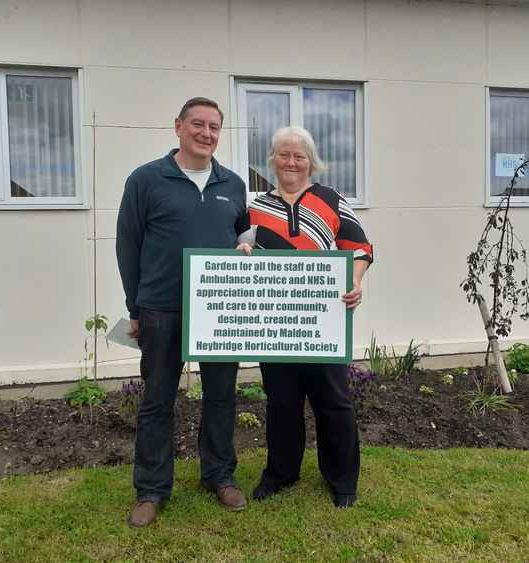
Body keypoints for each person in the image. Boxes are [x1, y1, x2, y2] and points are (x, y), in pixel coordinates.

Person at [116, 97, 249, 528]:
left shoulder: (233, 184)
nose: (206, 134)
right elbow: (127, 246)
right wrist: (134, 307)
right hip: (160, 308)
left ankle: (219, 475)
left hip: (219, 311)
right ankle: (151, 489)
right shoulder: (146, 180)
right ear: (178, 127)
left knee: (221, 397)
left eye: (214, 127)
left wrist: (244, 247)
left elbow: (241, 236)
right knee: (156, 401)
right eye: (197, 124)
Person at [236, 126, 374, 508]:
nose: (291, 162)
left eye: (299, 156)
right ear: (272, 161)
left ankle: (342, 479)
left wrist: (355, 280)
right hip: (276, 322)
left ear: (311, 162)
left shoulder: (331, 200)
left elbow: (360, 248)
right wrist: (243, 251)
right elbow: (241, 247)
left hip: (324, 321)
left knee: (334, 401)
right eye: (283, 154)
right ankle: (281, 473)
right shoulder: (255, 207)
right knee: (281, 402)